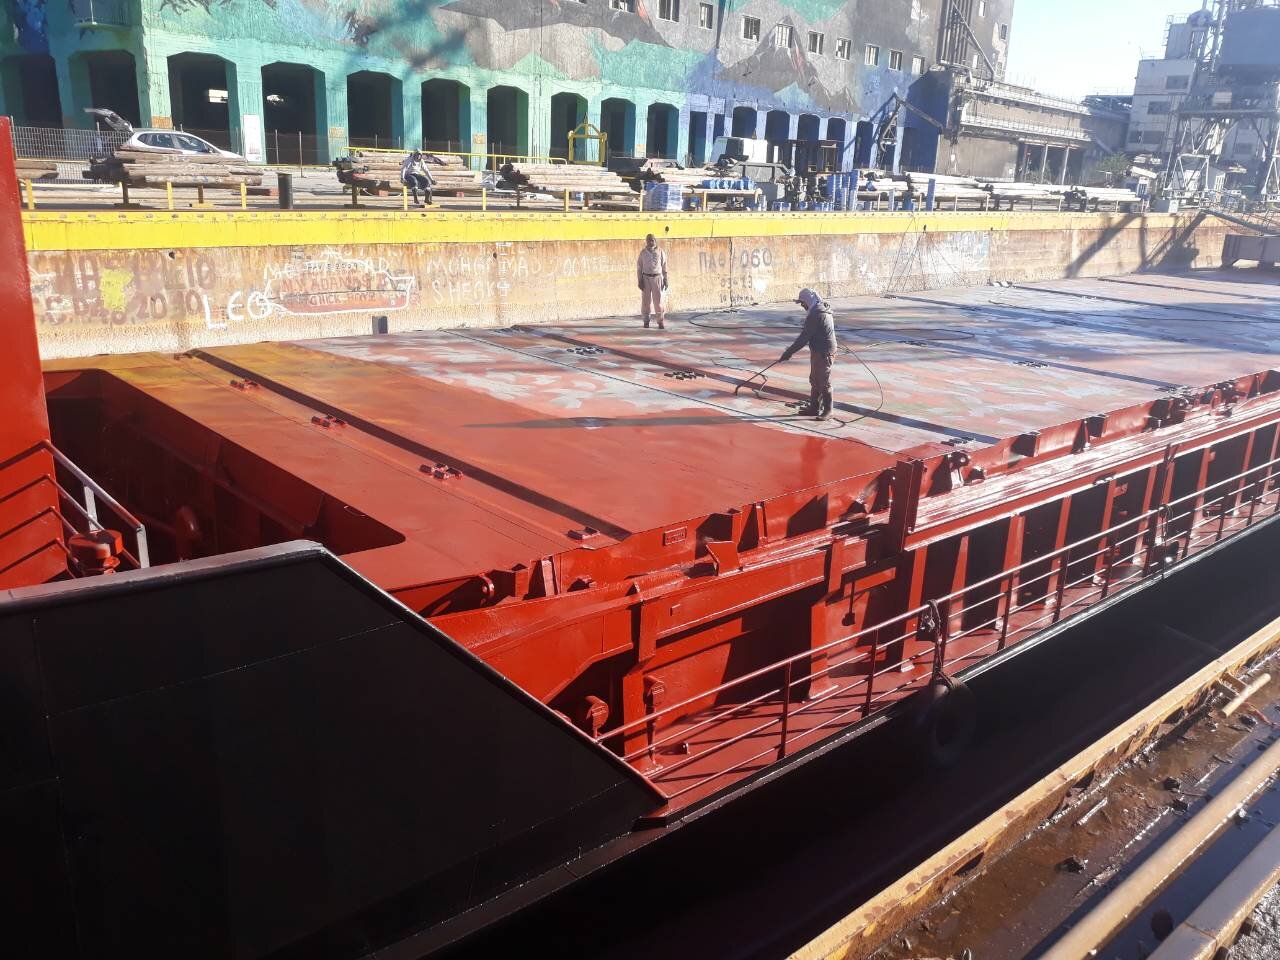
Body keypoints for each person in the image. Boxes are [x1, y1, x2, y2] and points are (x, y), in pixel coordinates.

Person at [779, 288, 837, 420]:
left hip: (824, 351)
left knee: (823, 380)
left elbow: (803, 338)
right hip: (818, 349)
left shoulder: (816, 314)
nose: (802, 305)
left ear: (808, 300)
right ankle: (814, 408)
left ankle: (828, 410)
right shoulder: (818, 309)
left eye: (802, 302)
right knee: (815, 379)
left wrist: (788, 353)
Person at [636, 233, 668, 329]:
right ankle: (646, 321)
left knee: (658, 301)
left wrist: (665, 279)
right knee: (646, 302)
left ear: (655, 241)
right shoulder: (643, 253)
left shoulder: (660, 252)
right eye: (648, 240)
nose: (650, 242)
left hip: (657, 278)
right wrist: (640, 280)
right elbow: (639, 267)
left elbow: (664, 266)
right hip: (645, 278)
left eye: (652, 240)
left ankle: (660, 321)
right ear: (646, 241)